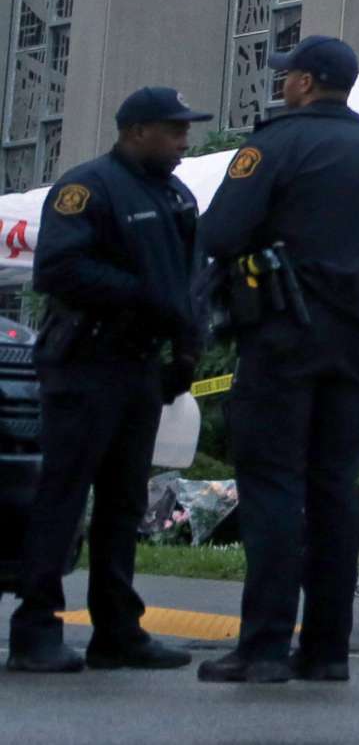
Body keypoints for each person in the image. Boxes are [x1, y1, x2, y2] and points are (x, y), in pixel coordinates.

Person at [194, 37, 359, 685]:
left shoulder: (273, 146)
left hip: (281, 340)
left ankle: (264, 645)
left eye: (286, 76)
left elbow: (217, 235)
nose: (282, 86)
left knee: (273, 488)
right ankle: (327, 650)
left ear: (303, 83)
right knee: (333, 494)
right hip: (357, 348)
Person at [6, 88, 210, 674]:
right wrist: (143, 294)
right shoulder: (87, 187)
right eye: (173, 131)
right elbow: (58, 269)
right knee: (63, 497)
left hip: (141, 367)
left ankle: (117, 628)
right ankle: (36, 627)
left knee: (124, 504)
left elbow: (191, 286)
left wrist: (186, 353)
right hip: (86, 363)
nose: (182, 142)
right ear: (137, 131)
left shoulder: (175, 196)